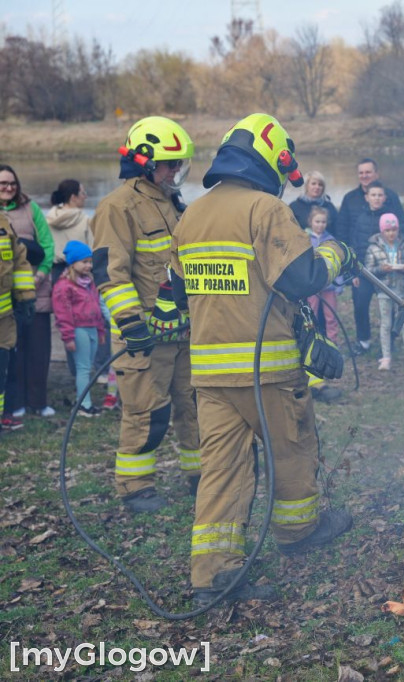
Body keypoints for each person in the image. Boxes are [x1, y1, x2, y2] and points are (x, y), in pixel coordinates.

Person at [170, 112, 358, 605]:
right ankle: (299, 533)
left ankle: (213, 575)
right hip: (267, 370)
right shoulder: (265, 209)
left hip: (209, 372)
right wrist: (338, 253)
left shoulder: (192, 214)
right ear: (271, 160)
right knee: (292, 450)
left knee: (223, 469)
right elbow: (301, 278)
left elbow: (176, 289)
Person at [91, 116, 201, 513]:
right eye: (171, 164)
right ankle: (135, 487)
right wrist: (132, 324)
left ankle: (201, 477)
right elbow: (110, 271)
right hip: (143, 338)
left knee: (194, 408)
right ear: (146, 162)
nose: (176, 172)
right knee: (146, 414)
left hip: (182, 334)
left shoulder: (172, 204)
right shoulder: (117, 207)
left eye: (179, 164)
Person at [0, 164, 56, 421]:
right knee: (11, 352)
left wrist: (42, 273)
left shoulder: (31, 208)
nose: (9, 188)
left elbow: (47, 244)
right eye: (3, 183)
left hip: (35, 288)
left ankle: (38, 401)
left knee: (38, 347)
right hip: (5, 296)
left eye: (12, 183)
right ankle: (15, 403)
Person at [51, 241, 105, 417]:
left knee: (88, 367)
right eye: (84, 262)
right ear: (73, 263)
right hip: (79, 330)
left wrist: (101, 331)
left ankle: (83, 400)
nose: (89, 265)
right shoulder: (64, 286)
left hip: (92, 330)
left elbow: (97, 307)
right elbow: (62, 314)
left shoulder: (89, 283)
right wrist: (68, 337)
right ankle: (84, 406)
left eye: (90, 261)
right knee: (83, 368)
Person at [365, 212, 404, 370]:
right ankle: (386, 357)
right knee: (386, 323)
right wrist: (382, 269)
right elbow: (369, 270)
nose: (391, 233)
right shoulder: (373, 248)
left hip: (403, 289)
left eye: (394, 230)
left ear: (398, 230)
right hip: (384, 290)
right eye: (388, 230)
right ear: (382, 231)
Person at [304, 206, 346, 403]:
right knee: (310, 315)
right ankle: (311, 345)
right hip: (312, 286)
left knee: (331, 317)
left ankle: (332, 346)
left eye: (323, 222)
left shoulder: (331, 240)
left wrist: (338, 284)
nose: (320, 225)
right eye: (317, 221)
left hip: (328, 286)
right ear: (310, 222)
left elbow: (338, 263)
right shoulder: (304, 239)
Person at [341, 181, 389, 355]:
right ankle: (363, 341)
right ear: (367, 197)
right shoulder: (360, 218)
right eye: (373, 195)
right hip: (363, 272)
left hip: (385, 272)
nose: (376, 198)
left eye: (379, 195)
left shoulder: (389, 218)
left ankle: (389, 340)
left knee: (388, 308)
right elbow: (354, 245)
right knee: (360, 306)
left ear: (384, 197)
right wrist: (353, 272)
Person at [0, 212, 36, 432]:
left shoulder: (3, 221)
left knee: (1, 370)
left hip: (4, 319)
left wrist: (26, 297)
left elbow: (19, 261)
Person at [337, 158, 404, 242]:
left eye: (368, 172)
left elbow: (401, 225)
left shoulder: (390, 196)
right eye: (361, 173)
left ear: (376, 174)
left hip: (384, 251)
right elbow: (342, 229)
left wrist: (402, 247)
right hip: (357, 252)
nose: (364, 176)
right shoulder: (349, 198)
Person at [46, 179, 93, 281]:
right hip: (80, 274)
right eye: (83, 193)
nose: (85, 197)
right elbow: (92, 249)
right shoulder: (85, 220)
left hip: (55, 273)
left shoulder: (48, 219)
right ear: (73, 197)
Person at [289, 170, 339, 237]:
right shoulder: (294, 207)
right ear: (306, 186)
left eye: (320, 184)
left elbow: (337, 230)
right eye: (313, 184)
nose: (317, 187)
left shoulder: (329, 206)